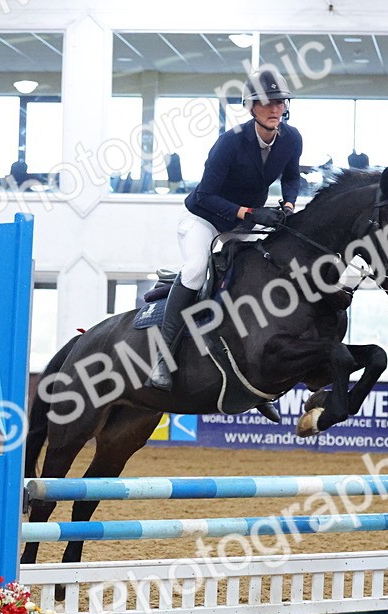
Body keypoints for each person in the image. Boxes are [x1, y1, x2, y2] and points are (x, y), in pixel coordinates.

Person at [148, 68, 303, 403]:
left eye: (280, 101)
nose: (275, 107)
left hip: (241, 225)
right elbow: (204, 196)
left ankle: (253, 379)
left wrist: (289, 203)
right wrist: (248, 213)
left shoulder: (291, 139)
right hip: (202, 219)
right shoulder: (230, 142)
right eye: (267, 102)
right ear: (251, 107)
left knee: (259, 278)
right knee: (193, 271)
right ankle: (162, 358)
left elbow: (291, 177)